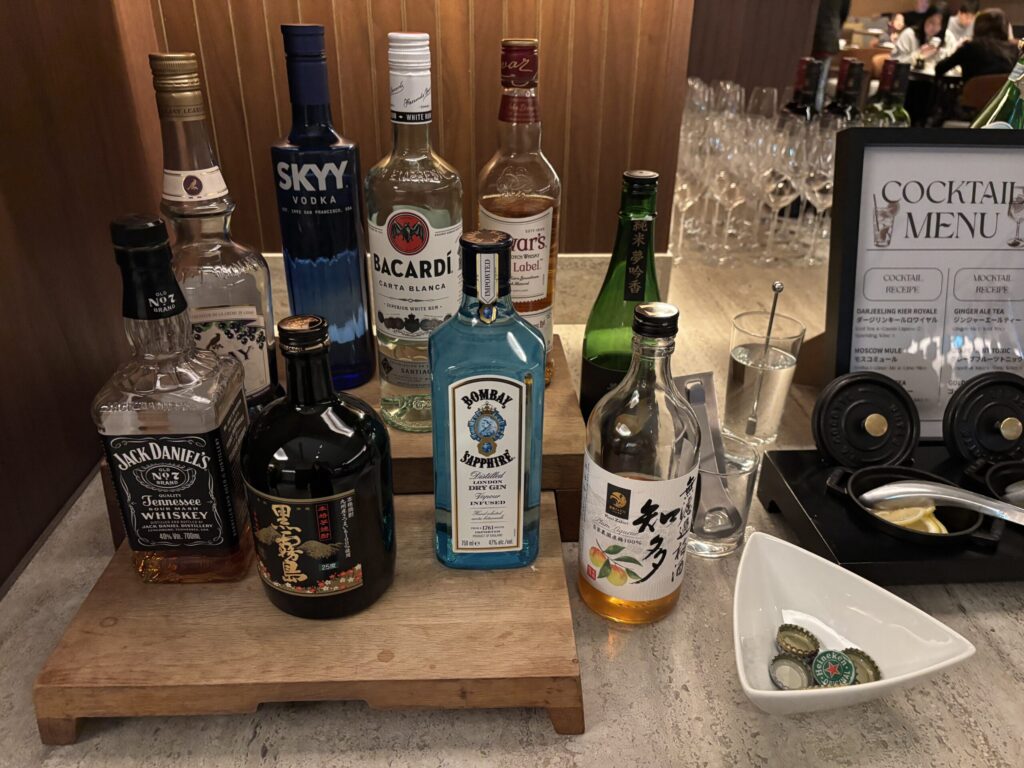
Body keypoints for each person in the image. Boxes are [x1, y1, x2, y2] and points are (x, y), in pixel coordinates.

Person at [936, 8, 1017, 80]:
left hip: (971, 92)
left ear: (978, 26)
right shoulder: (1014, 50)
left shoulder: (970, 48)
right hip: (1004, 93)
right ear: (1005, 27)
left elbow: (940, 68)